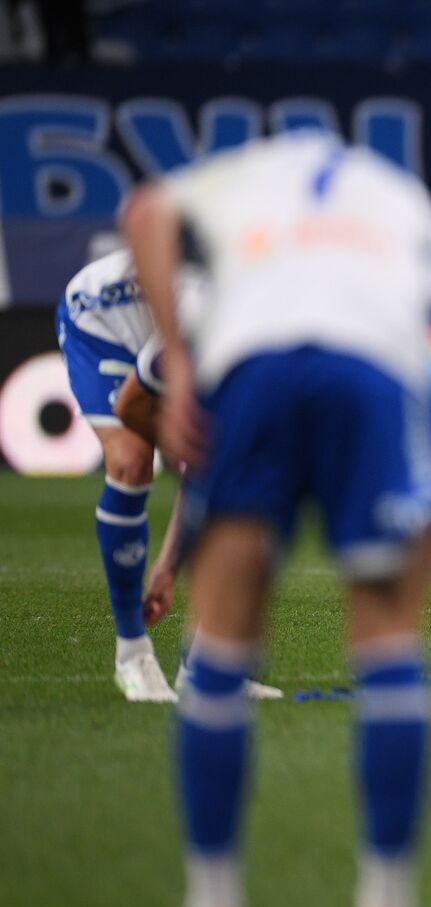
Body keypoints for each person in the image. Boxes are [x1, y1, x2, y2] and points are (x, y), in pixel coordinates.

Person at [122, 129, 431, 907]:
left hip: (255, 370)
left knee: (222, 642)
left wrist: (179, 362)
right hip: (371, 378)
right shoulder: (402, 197)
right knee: (389, 639)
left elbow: (146, 211)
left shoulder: (245, 174)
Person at [55, 253, 280, 703]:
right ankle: (132, 655)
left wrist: (168, 566)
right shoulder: (210, 318)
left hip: (164, 326)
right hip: (101, 318)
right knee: (132, 461)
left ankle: (203, 667)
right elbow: (132, 408)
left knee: (240, 468)